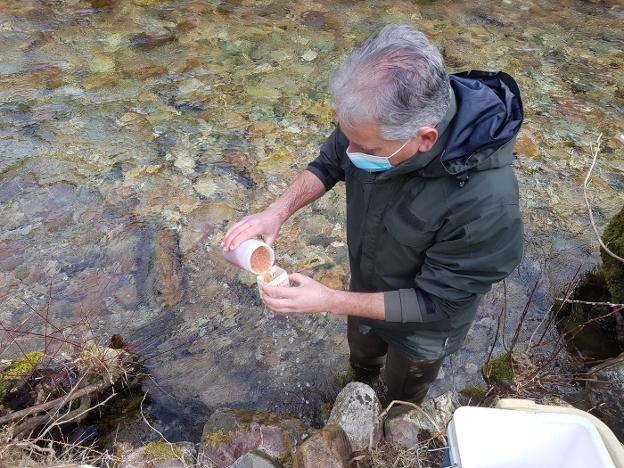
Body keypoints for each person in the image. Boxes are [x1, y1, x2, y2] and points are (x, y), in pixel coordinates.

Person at [222, 24, 524, 405]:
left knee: (401, 390)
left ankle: (392, 417)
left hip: (423, 329)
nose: (351, 152)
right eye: (349, 137)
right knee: (362, 359)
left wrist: (330, 299)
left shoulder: (487, 205)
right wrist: (276, 212)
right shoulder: (372, 121)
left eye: (365, 147)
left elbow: (437, 303)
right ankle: (360, 380)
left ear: (425, 137)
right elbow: (330, 162)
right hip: (365, 284)